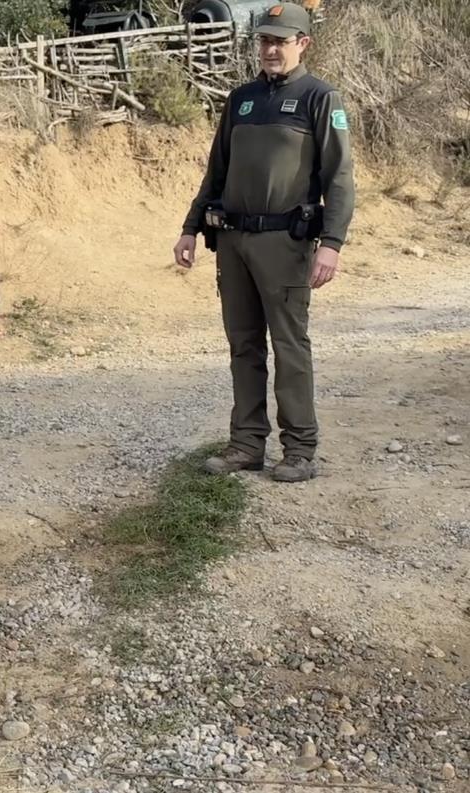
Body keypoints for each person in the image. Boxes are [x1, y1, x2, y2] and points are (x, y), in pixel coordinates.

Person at [172, 1, 354, 483]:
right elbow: (217, 171)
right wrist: (191, 228)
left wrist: (331, 242)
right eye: (265, 41)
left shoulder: (320, 98)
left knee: (290, 346)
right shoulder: (241, 99)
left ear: (303, 43)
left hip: (284, 242)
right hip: (233, 241)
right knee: (244, 345)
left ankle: (299, 450)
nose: (271, 49)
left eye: (281, 40)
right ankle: (247, 444)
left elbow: (339, 179)